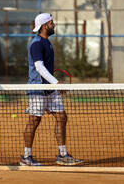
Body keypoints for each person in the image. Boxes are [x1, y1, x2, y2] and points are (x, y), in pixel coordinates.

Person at [20, 13, 82, 166]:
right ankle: (26, 157)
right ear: (44, 25)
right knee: (34, 121)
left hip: (49, 89)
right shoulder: (36, 43)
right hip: (37, 89)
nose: (54, 25)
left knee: (62, 117)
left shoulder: (47, 43)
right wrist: (56, 83)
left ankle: (63, 155)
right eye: (51, 23)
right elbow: (39, 67)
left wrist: (53, 85)